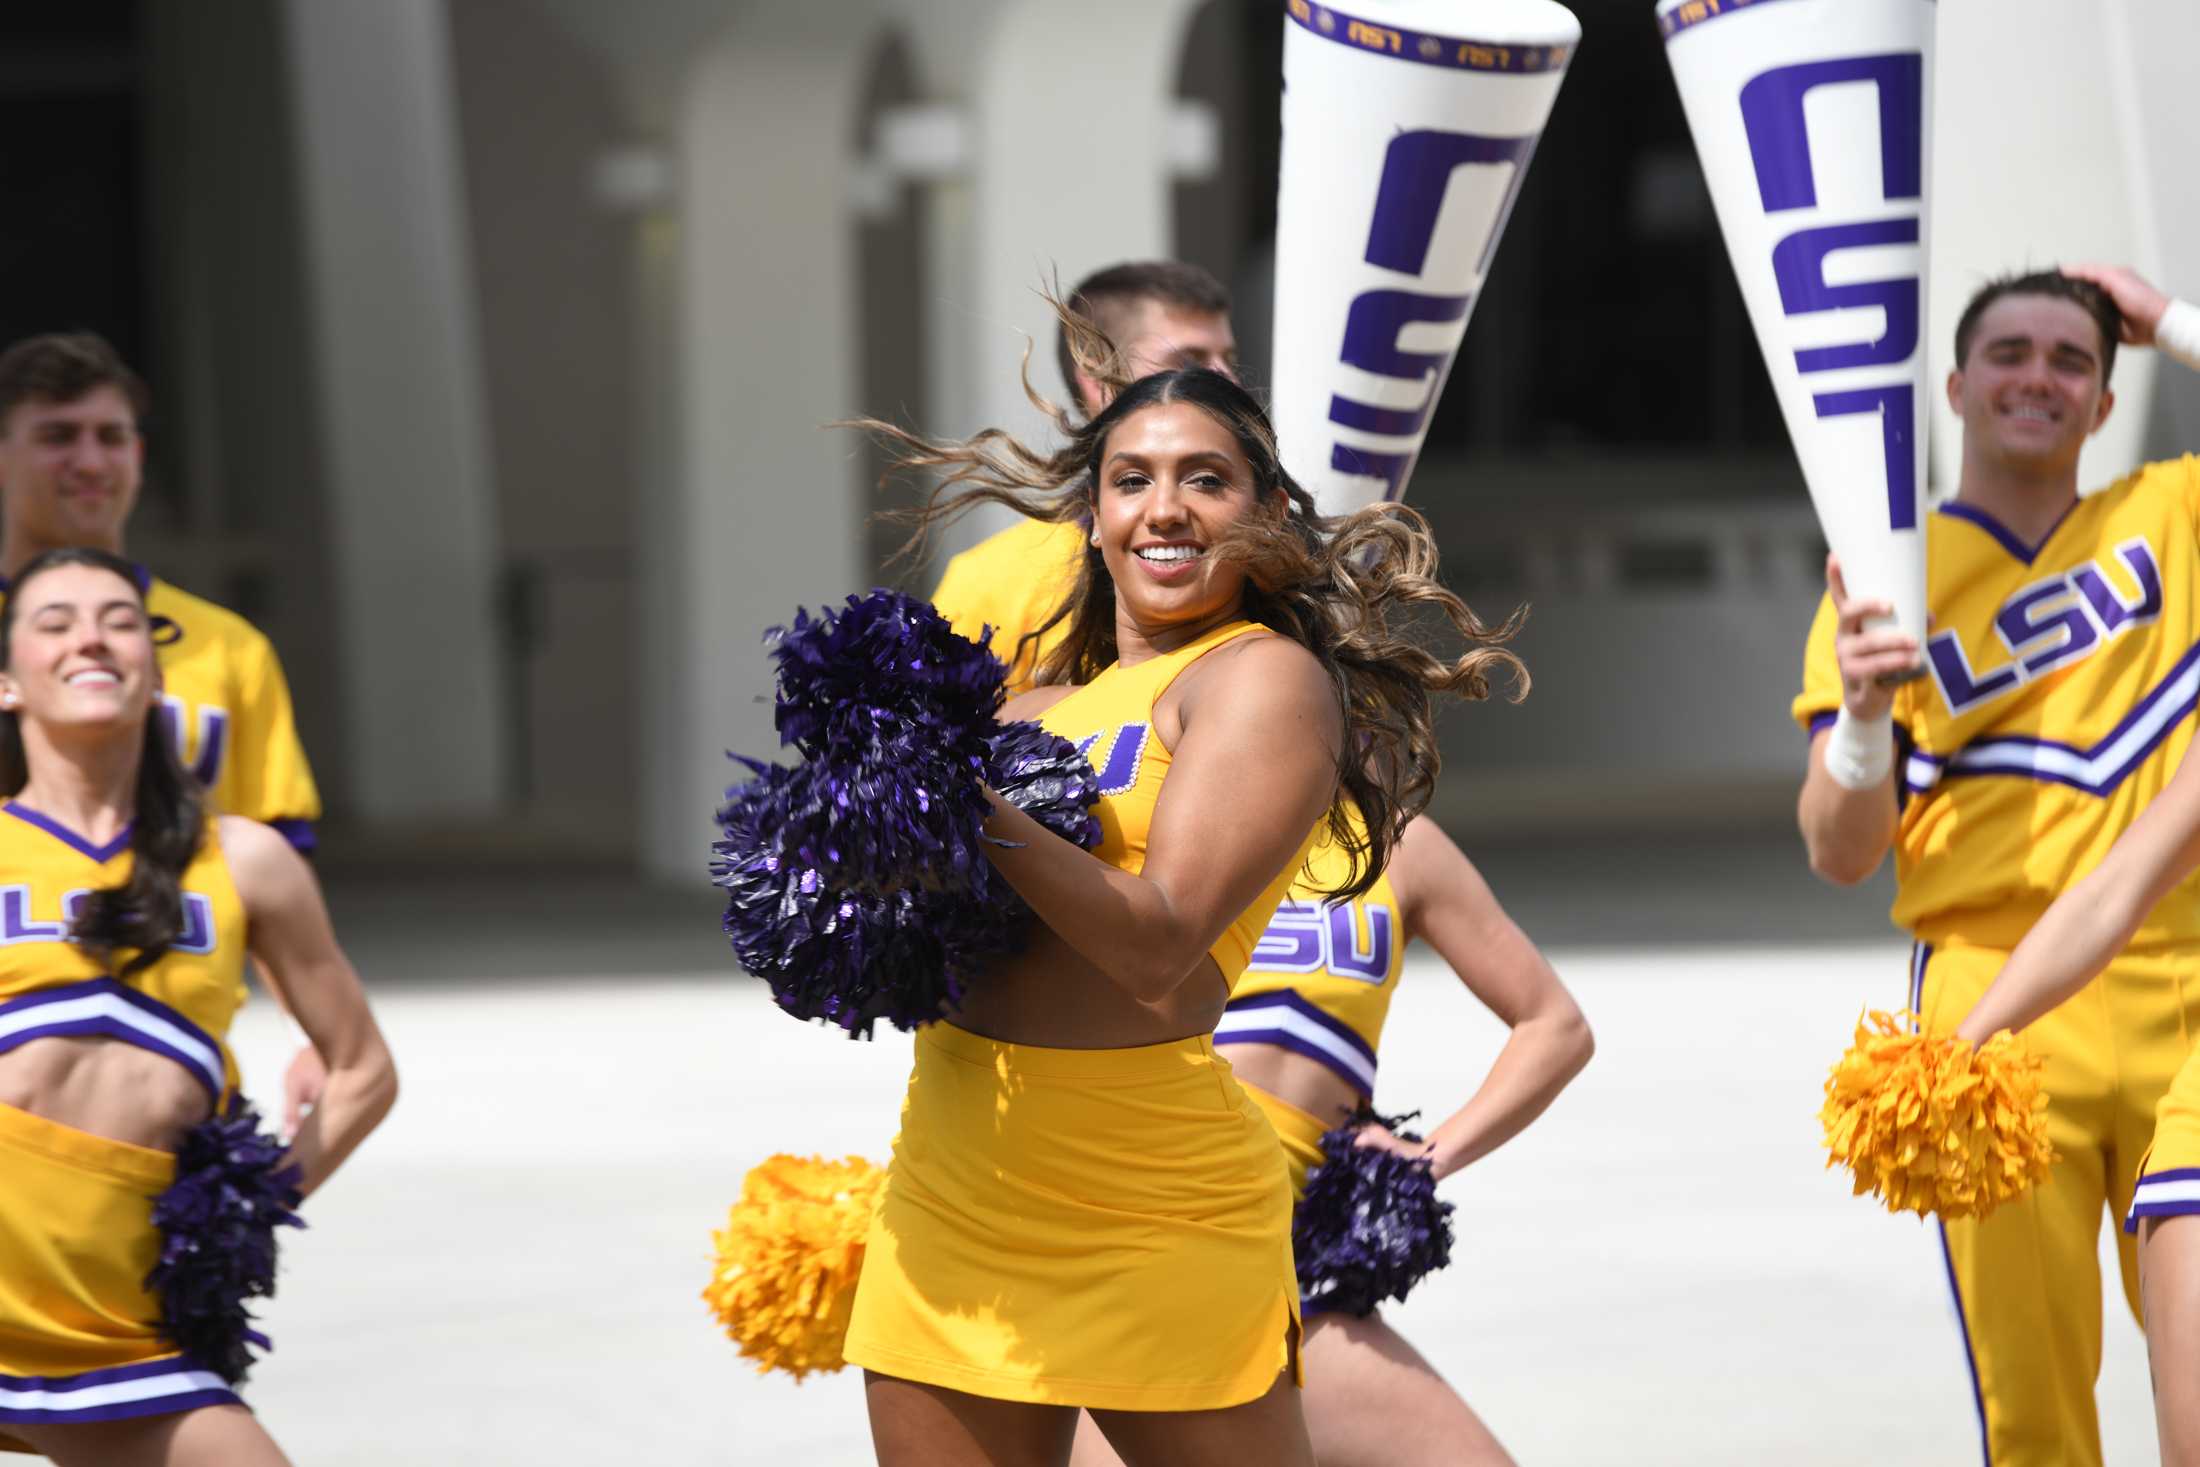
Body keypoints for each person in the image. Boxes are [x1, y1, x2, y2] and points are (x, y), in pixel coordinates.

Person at [841, 355, 1522, 1466]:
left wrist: (956, 796)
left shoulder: (1261, 680)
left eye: (1204, 479)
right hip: (955, 1183)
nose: (1164, 508)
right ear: (1094, 518)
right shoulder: (1027, 705)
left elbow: (1158, 945)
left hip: (1150, 1205)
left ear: (1265, 516)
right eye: (1131, 480)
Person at [1794, 264, 2200, 1467]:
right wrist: (1865, 720)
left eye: (2072, 360)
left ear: (2107, 401)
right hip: (1994, 998)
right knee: (2036, 1415)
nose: (2038, 377)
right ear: (1957, 387)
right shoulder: (1883, 578)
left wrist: (2164, 317)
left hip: (2185, 979)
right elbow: (1837, 851)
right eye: (2010, 355)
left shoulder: (2171, 514)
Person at [0, 547, 396, 1464]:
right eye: (54, 622)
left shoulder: (245, 860)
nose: (91, 637)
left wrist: (248, 1209)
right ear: (9, 681)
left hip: (124, 1326)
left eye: (120, 620)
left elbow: (364, 1069)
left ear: (156, 673)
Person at [0, 334, 326, 1131]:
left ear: (140, 457)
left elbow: (279, 856)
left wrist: (309, 1029)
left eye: (111, 436)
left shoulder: (226, 648)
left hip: (171, 1052)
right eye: (57, 435)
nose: (89, 459)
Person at [929, 260, 1238, 690]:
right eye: (1189, 361)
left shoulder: (1266, 562)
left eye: (1229, 358)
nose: (1226, 380)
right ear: (1096, 377)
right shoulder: (992, 581)